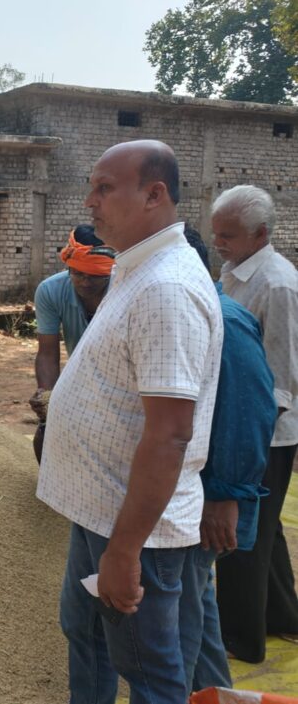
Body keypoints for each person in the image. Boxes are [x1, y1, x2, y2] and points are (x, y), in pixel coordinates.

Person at [37, 140, 223, 704]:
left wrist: (124, 551)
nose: (89, 202)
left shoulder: (166, 288)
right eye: (91, 187)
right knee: (86, 633)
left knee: (148, 671)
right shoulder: (135, 269)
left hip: (134, 527)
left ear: (153, 195)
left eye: (104, 188)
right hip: (99, 507)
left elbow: (169, 434)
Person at [177, 226, 275, 694]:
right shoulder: (191, 312)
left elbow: (249, 411)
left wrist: (225, 495)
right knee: (196, 604)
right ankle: (215, 693)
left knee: (182, 615)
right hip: (191, 490)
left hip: (205, 494)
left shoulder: (225, 321)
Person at [210, 184, 298, 663]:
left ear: (260, 234)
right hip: (241, 418)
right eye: (216, 233)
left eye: (228, 235)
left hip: (265, 428)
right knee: (266, 528)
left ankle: (241, 639)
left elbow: (283, 378)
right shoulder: (233, 270)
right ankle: (283, 616)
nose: (218, 243)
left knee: (240, 532)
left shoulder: (278, 285)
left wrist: (249, 446)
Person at [29, 225, 115, 462]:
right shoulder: (50, 291)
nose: (85, 283)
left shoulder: (125, 289)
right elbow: (47, 353)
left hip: (121, 378)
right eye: (78, 274)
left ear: (109, 272)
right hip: (80, 374)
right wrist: (47, 397)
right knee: (47, 433)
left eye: (95, 277)